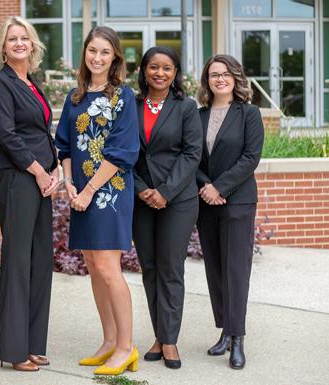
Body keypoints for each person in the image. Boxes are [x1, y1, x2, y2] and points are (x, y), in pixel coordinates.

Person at [54, 26, 140, 376]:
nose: (98, 57)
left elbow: (123, 151)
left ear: (115, 57)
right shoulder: (74, 97)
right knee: (93, 265)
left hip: (110, 193)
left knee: (108, 267)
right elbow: (63, 144)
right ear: (85, 53)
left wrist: (89, 191)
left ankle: (126, 346)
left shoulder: (123, 97)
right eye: (93, 50)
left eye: (105, 52)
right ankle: (108, 342)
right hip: (81, 195)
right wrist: (71, 184)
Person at [0, 16, 59, 372]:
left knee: (41, 258)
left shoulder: (32, 82)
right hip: (17, 178)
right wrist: (40, 171)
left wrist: (56, 167)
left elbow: (43, 131)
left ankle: (34, 343)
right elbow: (8, 135)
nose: (18, 43)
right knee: (18, 261)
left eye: (24, 38)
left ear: (33, 45)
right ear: (4, 46)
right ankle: (14, 351)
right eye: (12, 39)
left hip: (42, 180)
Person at [131, 46, 202, 370]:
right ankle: (160, 335)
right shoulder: (129, 106)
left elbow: (192, 153)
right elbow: (120, 152)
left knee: (171, 268)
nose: (160, 73)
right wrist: (143, 189)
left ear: (175, 74)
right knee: (150, 268)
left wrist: (166, 192)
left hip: (178, 200)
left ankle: (169, 339)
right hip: (140, 198)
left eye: (167, 68)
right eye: (154, 67)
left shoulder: (186, 107)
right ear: (144, 71)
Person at [195, 54, 264, 370]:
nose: (219, 79)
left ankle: (237, 339)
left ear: (236, 78)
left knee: (236, 270)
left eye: (224, 74)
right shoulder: (198, 116)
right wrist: (206, 186)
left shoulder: (249, 113)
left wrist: (219, 187)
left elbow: (251, 158)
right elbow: (191, 157)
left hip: (237, 201)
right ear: (206, 81)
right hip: (206, 202)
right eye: (213, 75)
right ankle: (224, 330)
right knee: (216, 268)